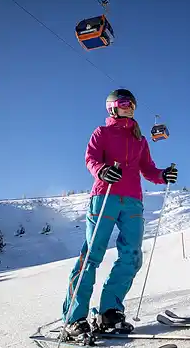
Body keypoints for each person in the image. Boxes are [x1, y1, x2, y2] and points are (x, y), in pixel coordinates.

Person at [62, 89, 178, 337]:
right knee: (92, 254)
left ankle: (109, 312)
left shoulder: (140, 140)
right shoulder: (102, 133)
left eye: (133, 104)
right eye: (124, 103)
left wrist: (162, 175)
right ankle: (74, 318)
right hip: (105, 195)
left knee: (132, 256)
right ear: (112, 107)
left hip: (132, 201)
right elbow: (91, 159)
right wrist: (102, 171)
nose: (130, 107)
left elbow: (147, 169)